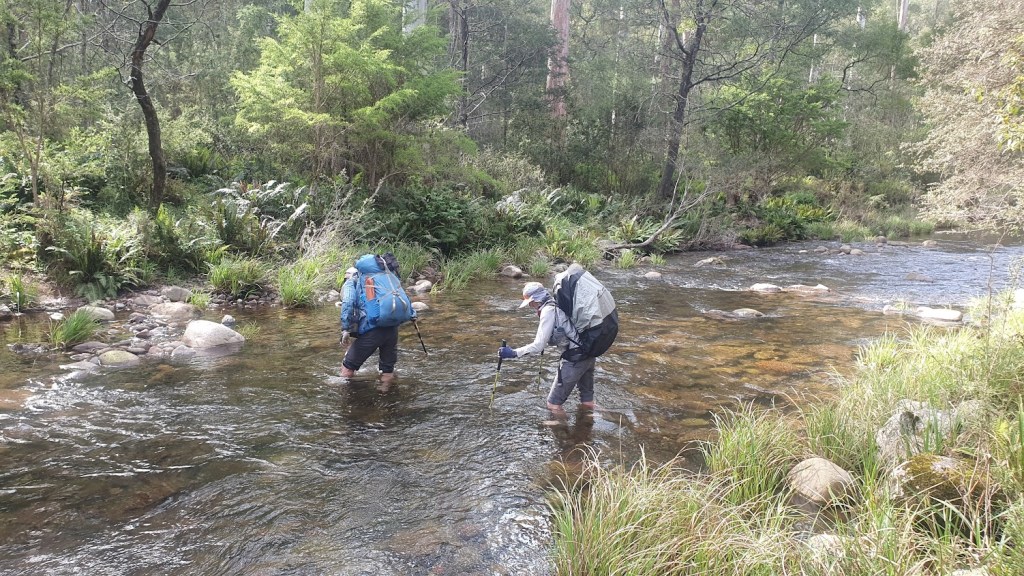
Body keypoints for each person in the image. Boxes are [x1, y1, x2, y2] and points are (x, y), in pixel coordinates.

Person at [498, 281, 596, 412]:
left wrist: (514, 353)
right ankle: (595, 424)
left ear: (535, 299)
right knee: (587, 401)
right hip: (589, 353)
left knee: (553, 405)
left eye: (530, 303)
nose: (530, 306)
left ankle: (561, 431)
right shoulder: (557, 303)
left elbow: (539, 345)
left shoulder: (548, 311)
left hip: (575, 359)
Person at [340, 255, 412, 384]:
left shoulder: (352, 282)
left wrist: (345, 328)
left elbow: (348, 304)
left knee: (347, 368)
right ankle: (385, 394)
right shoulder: (388, 279)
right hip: (392, 329)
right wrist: (413, 315)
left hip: (372, 330)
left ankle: (346, 399)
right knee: (387, 370)